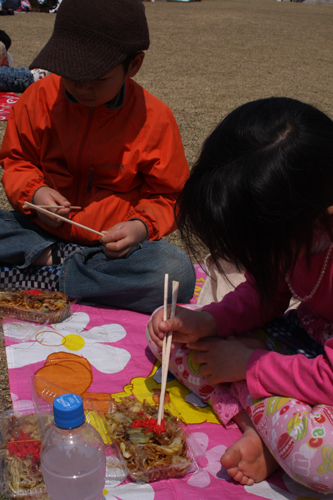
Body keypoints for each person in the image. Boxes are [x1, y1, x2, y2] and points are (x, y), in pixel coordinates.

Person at [148, 97, 333, 492]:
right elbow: (265, 293)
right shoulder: (295, 233)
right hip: (307, 341)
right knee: (173, 344)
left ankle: (269, 430)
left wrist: (249, 365)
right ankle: (263, 431)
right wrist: (207, 321)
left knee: (320, 463)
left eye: (252, 246)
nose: (247, 258)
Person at [0, 0, 195, 313]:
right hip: (36, 231)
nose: (81, 88)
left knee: (176, 273)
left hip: (110, 249)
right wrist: (34, 192)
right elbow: (17, 161)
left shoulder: (154, 118)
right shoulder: (39, 97)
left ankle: (41, 275)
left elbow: (171, 195)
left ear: (133, 65)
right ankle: (61, 266)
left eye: (97, 79)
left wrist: (140, 227)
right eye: (70, 75)